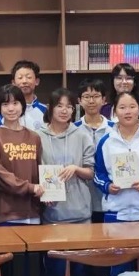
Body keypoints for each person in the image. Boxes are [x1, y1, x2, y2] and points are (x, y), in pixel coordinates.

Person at [94, 91, 139, 276]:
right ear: (114, 111)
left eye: (132, 107)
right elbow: (98, 174)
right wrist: (107, 186)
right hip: (116, 213)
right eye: (122, 107)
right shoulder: (105, 142)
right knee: (119, 270)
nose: (128, 111)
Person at [0, 84, 44, 227]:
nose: (11, 109)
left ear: (22, 105)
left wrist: (48, 192)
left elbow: (39, 171)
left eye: (15, 103)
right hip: (4, 213)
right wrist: (30, 187)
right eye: (5, 104)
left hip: (32, 213)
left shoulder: (34, 137)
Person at [39, 88, 95, 224]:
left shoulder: (82, 135)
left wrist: (76, 169)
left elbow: (91, 173)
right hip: (50, 211)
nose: (64, 111)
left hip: (80, 211)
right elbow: (33, 172)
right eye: (59, 106)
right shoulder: (38, 136)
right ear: (50, 108)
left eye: (69, 107)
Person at [74, 78, 114, 223]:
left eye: (96, 96)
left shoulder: (115, 129)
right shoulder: (73, 129)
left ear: (104, 100)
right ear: (79, 100)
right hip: (81, 198)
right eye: (86, 97)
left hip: (110, 195)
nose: (91, 101)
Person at [10, 60, 47, 131]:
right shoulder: (7, 111)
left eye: (29, 77)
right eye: (20, 78)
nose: (24, 81)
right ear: (13, 83)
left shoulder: (46, 111)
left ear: (37, 81)